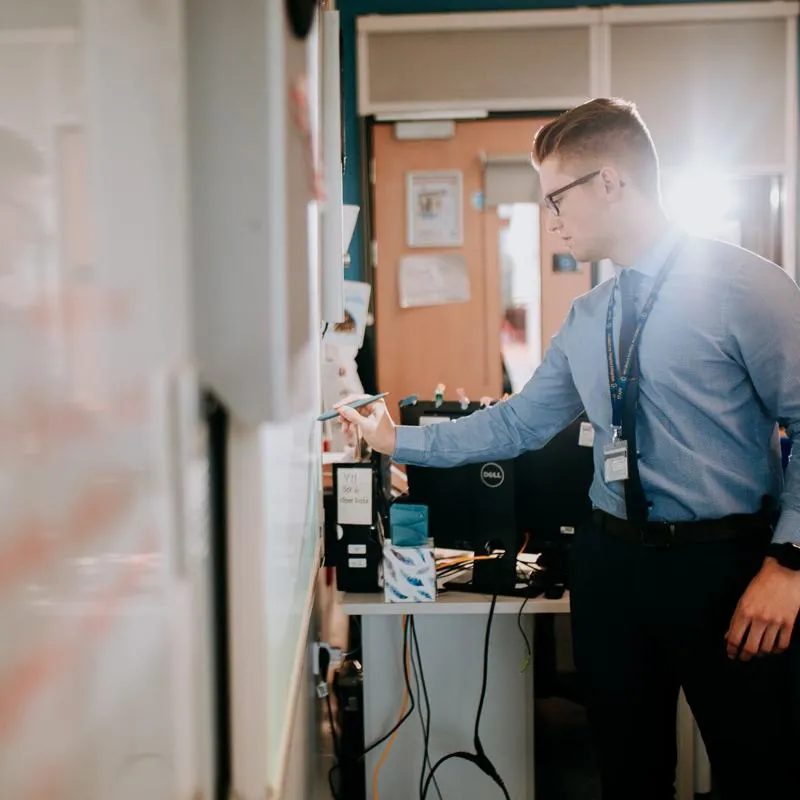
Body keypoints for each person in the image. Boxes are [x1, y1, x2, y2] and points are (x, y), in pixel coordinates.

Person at [337, 98, 800, 800]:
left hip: (728, 565)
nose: (551, 217)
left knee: (759, 771)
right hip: (611, 566)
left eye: (557, 198)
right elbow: (517, 424)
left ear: (611, 183)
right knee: (627, 775)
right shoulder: (592, 316)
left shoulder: (747, 288)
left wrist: (789, 565)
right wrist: (394, 438)